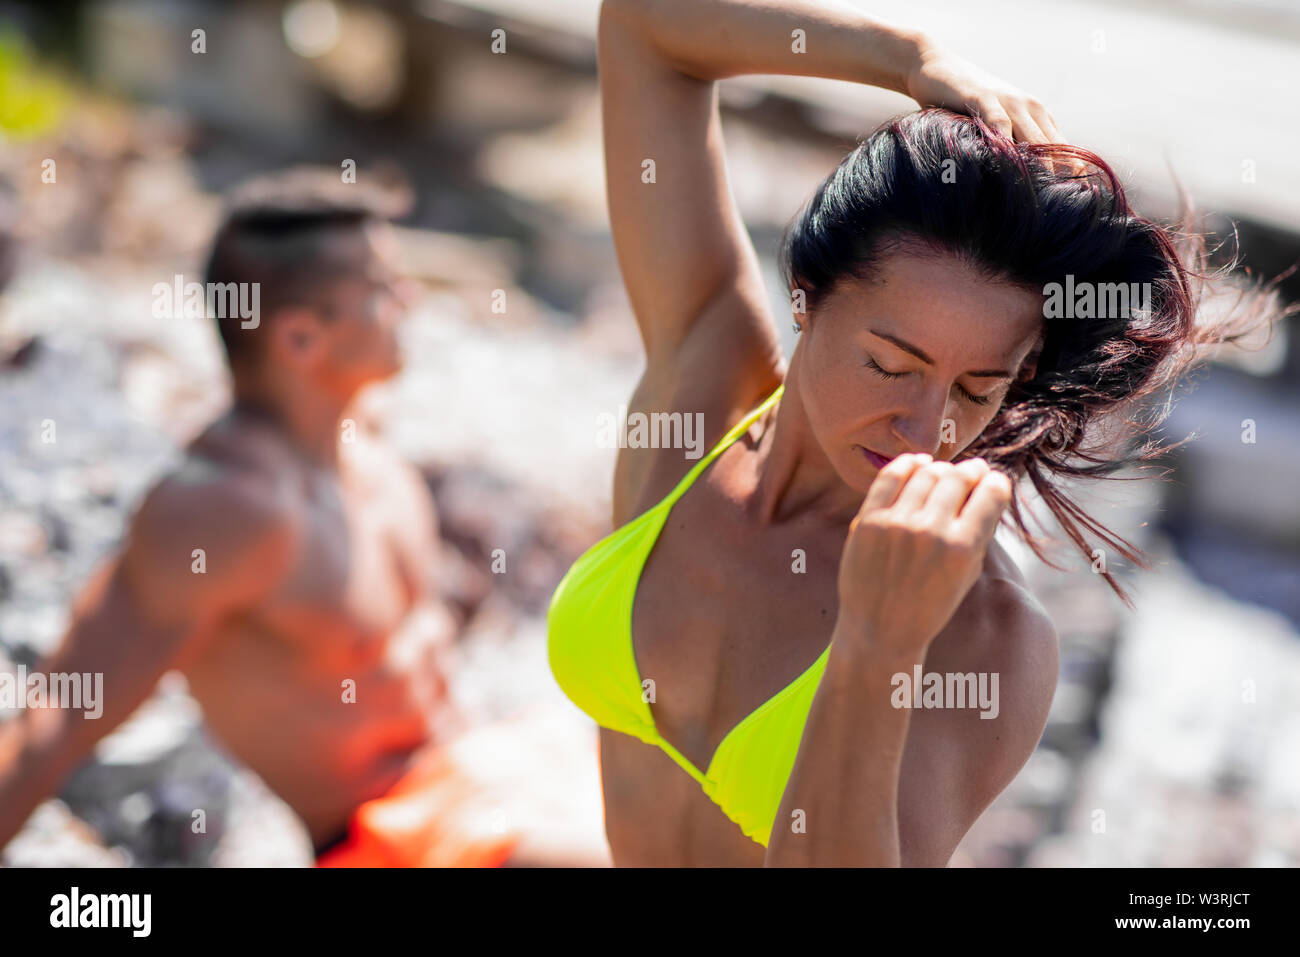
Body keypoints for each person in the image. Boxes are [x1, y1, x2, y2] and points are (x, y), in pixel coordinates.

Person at [547, 0, 1278, 866]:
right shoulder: (701, 386)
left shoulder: (986, 638)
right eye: (892, 364)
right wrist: (910, 57)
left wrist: (877, 643)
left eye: (979, 386)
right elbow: (643, 31)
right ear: (808, 297)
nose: (927, 429)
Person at [0, 168, 608, 867]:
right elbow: (53, 722)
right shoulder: (221, 512)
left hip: (492, 757)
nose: (411, 300)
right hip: (393, 832)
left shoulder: (359, 436)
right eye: (383, 289)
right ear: (298, 340)